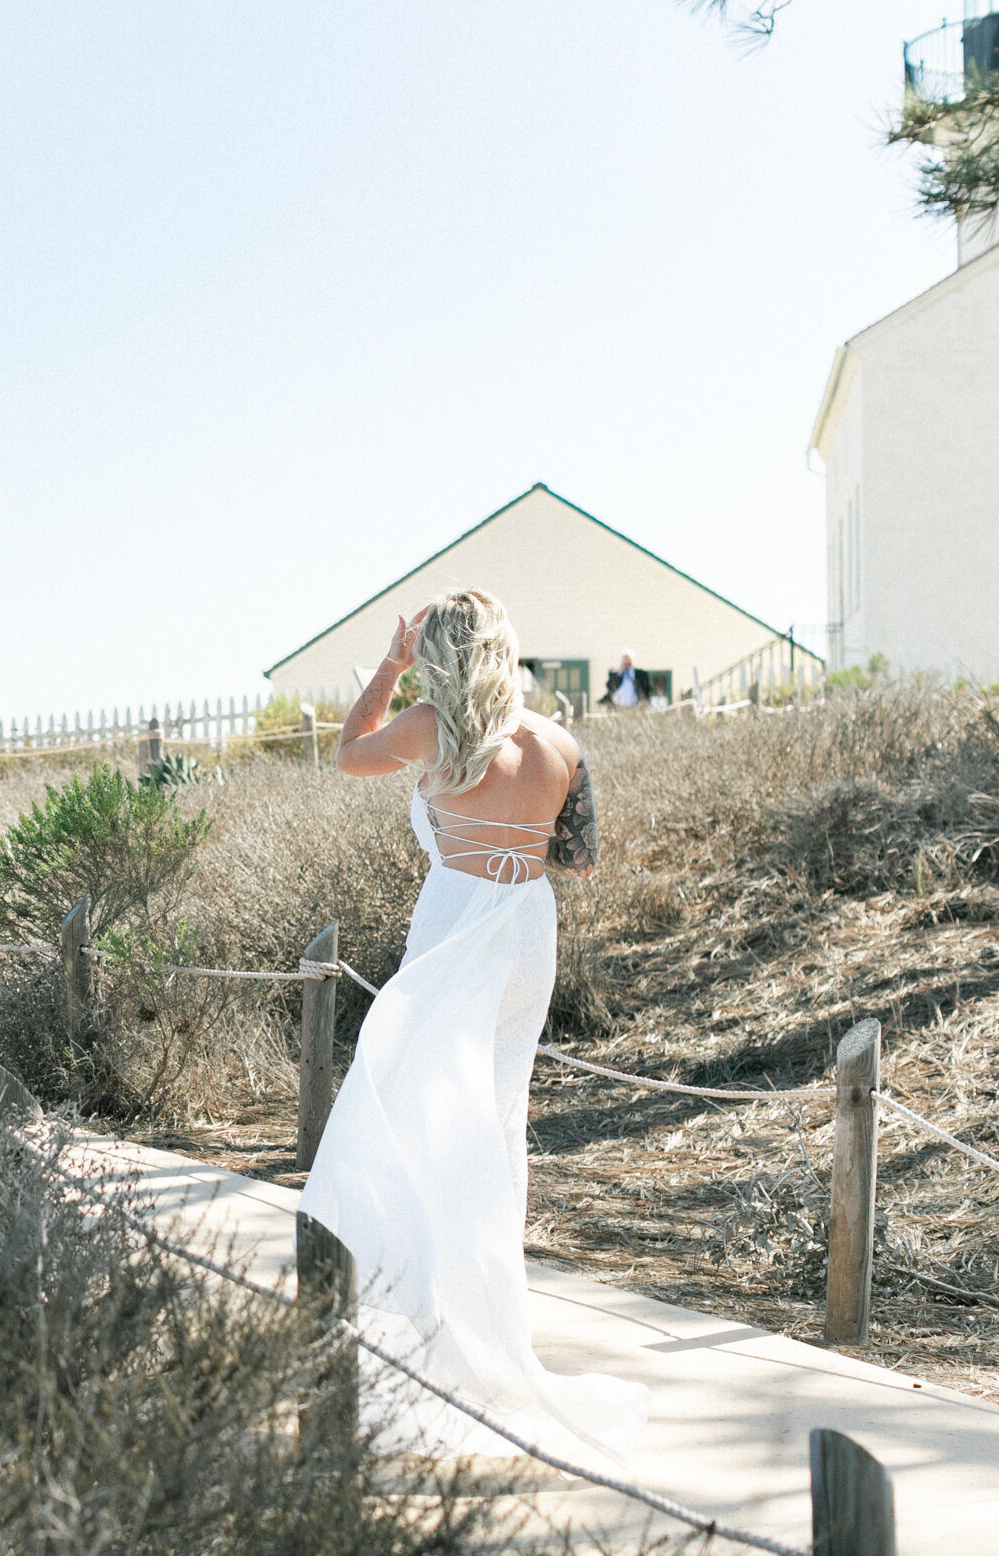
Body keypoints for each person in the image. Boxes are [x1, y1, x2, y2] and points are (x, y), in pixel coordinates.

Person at [300, 590, 643, 1467]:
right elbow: (583, 858)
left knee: (406, 1110)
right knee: (492, 1120)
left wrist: (389, 661)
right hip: (527, 929)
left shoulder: (429, 726)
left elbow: (345, 755)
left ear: (439, 656)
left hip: (457, 923)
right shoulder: (561, 743)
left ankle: (429, 1304)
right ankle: (486, 1312)